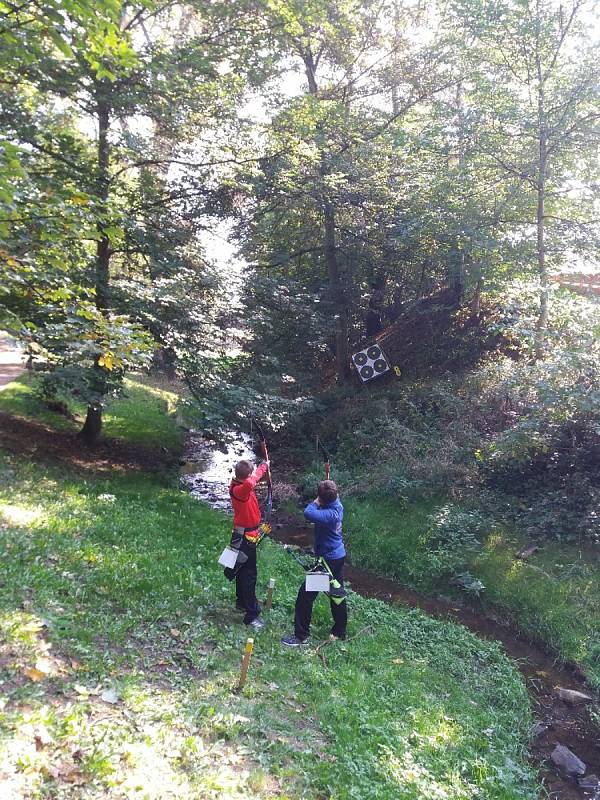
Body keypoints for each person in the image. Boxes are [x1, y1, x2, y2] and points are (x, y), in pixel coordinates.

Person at [282, 479, 347, 646]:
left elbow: (308, 513)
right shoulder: (336, 504)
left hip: (328, 561)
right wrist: (326, 493)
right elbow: (329, 497)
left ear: (323, 499)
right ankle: (340, 631)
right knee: (336, 593)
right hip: (337, 556)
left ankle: (300, 636)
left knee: (305, 596)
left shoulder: (330, 515)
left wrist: (317, 500)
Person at [227, 459, 269, 630]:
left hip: (247, 534)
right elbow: (253, 481)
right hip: (245, 537)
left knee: (241, 569)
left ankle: (242, 603)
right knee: (249, 575)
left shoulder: (241, 484)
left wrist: (263, 471)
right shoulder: (240, 489)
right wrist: (263, 467)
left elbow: (253, 480)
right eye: (251, 474)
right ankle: (251, 615)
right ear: (247, 475)